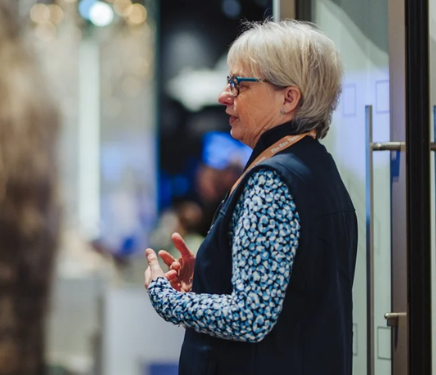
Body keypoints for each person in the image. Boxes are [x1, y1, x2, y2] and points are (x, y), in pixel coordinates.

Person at [144, 20, 358, 375]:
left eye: (237, 84)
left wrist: (166, 298)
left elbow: (250, 317)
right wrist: (213, 279)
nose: (223, 96)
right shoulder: (316, 166)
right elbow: (293, 294)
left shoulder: (273, 181)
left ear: (289, 98)